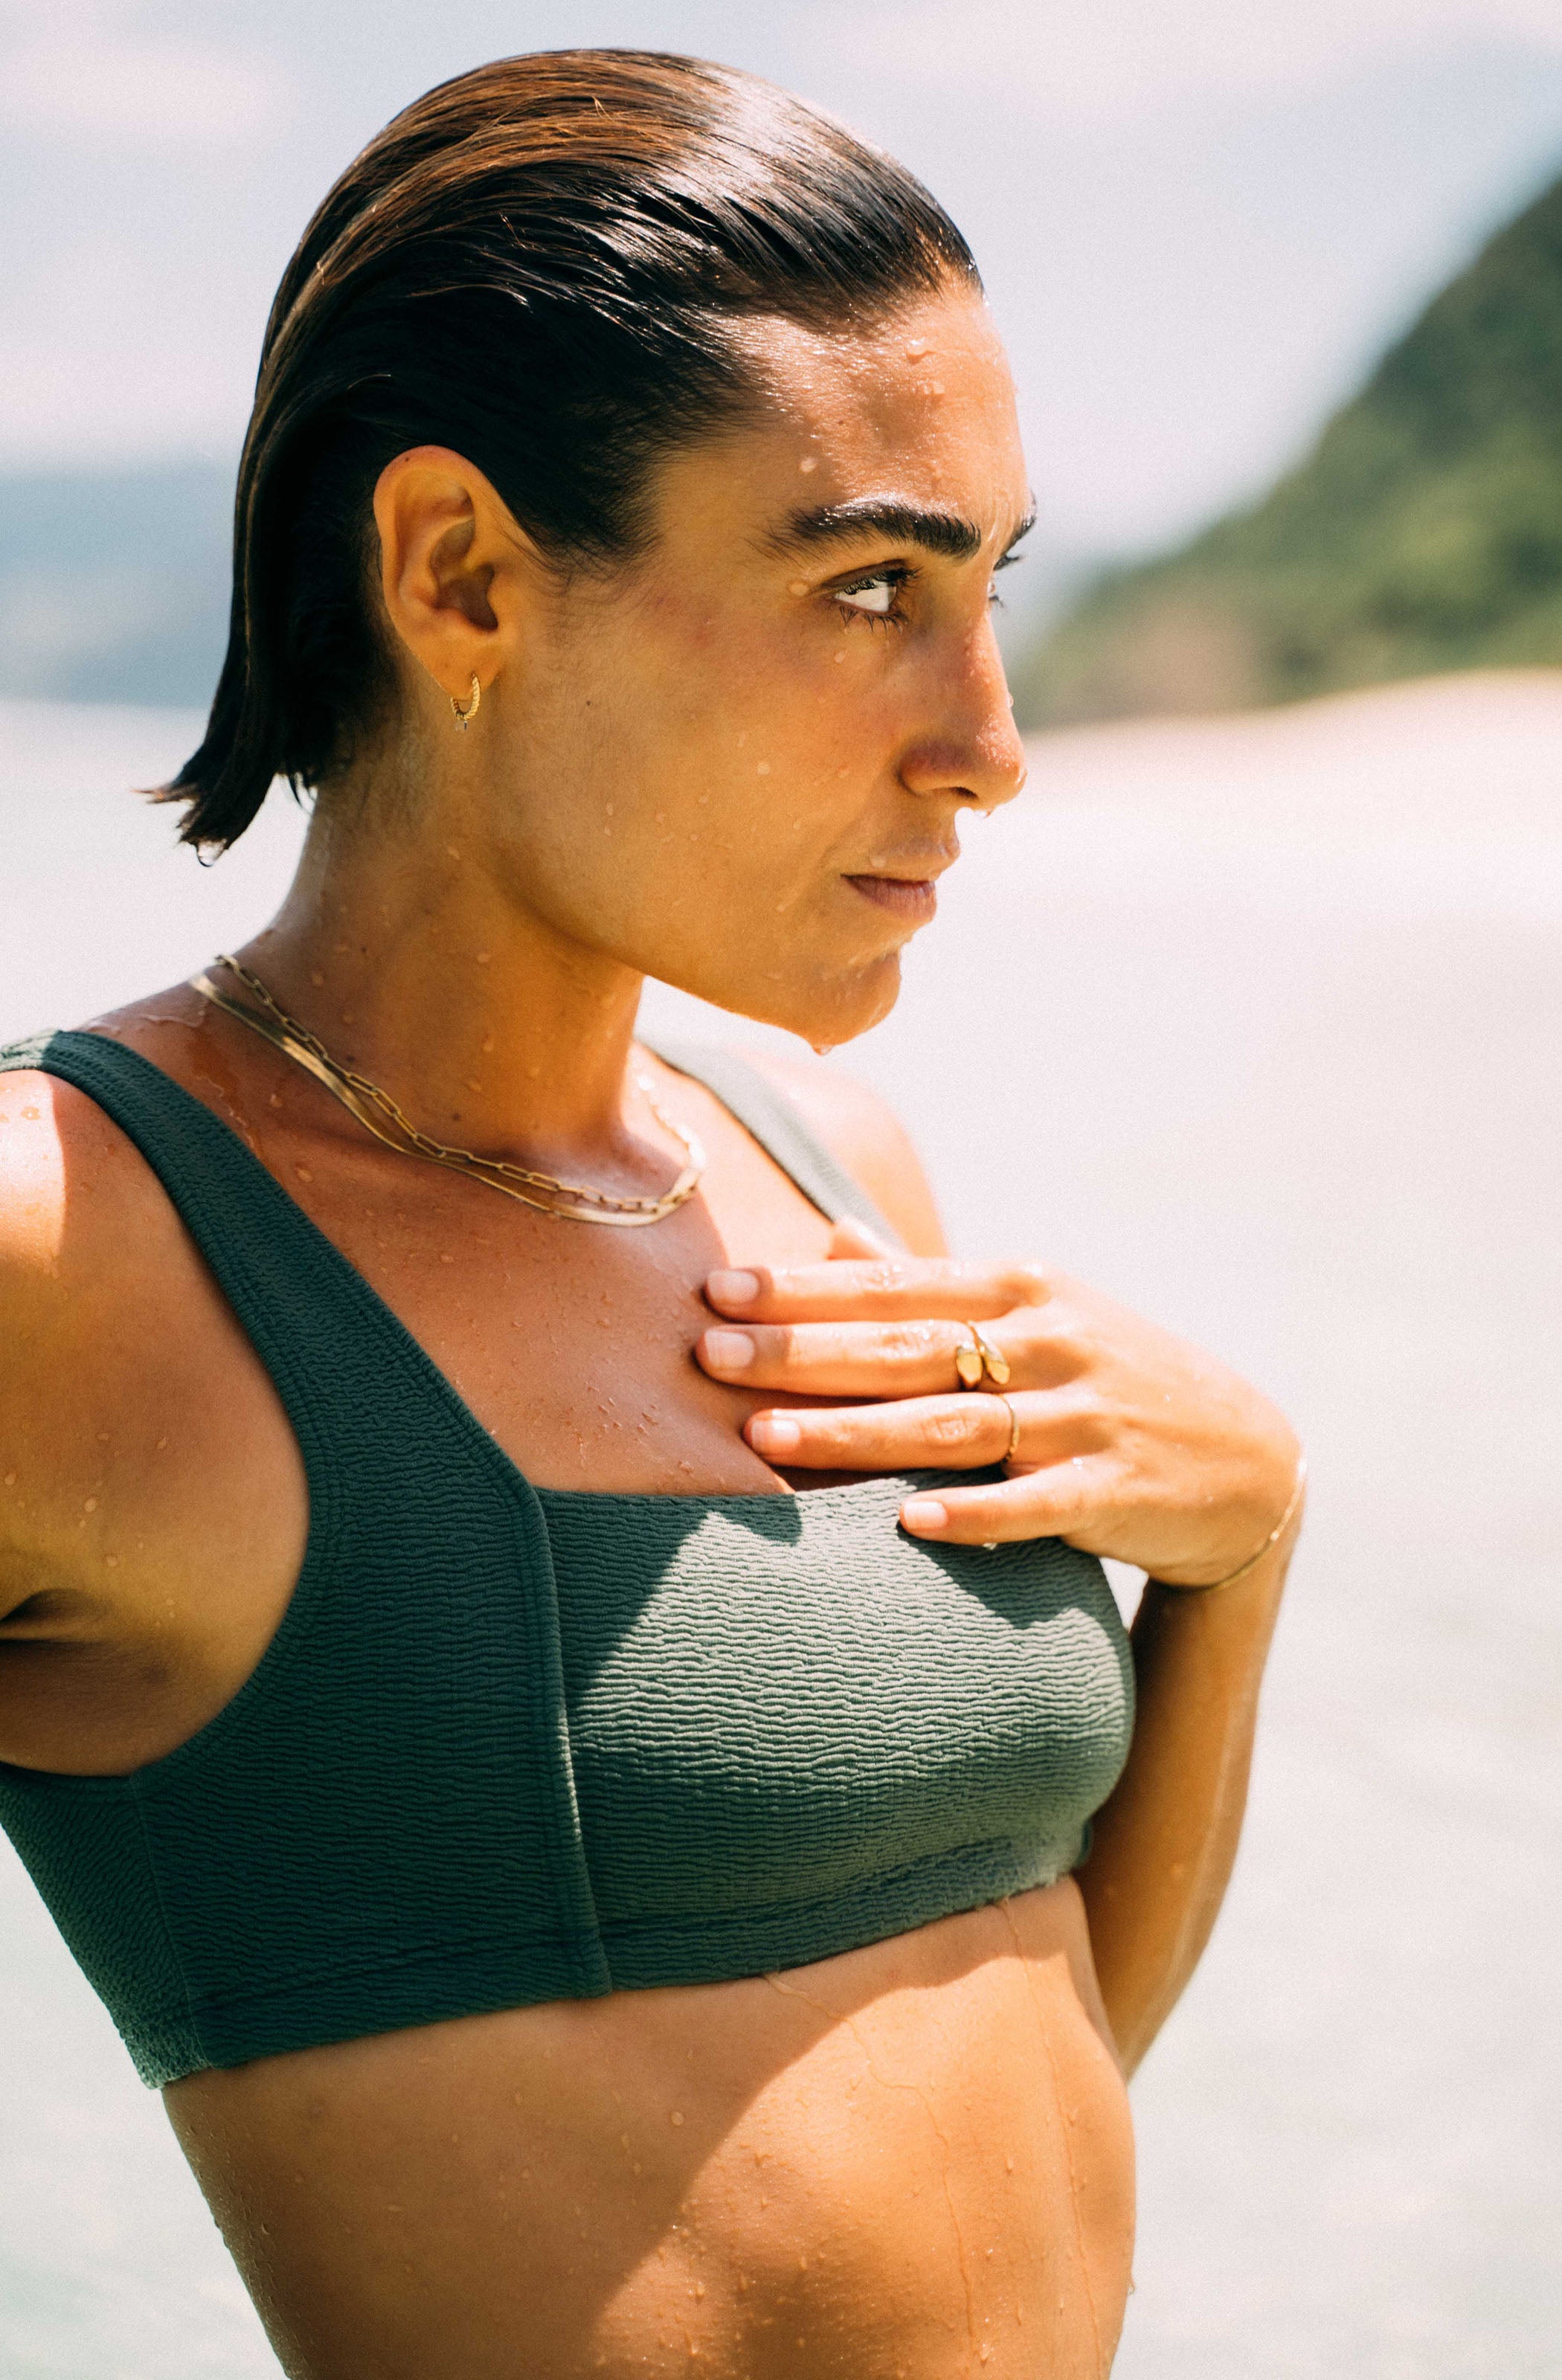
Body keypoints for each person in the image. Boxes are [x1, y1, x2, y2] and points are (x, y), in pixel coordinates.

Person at [0, 50, 1302, 2380]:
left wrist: (1242, 1553)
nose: (988, 736)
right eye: (869, 586)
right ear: (462, 574)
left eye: (990, 590)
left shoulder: (822, 1166)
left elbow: (1028, 2045)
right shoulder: (72, 1248)